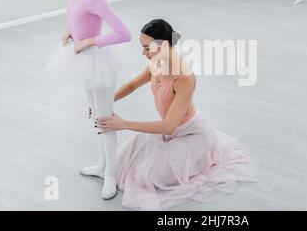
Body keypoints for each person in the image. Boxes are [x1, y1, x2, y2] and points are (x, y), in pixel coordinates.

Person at [96, 19, 257, 210]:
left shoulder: (184, 77)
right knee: (122, 158)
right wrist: (105, 103)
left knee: (145, 177)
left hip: (191, 135)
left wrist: (123, 123)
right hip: (168, 130)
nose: (143, 53)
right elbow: (131, 85)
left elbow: (169, 126)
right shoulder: (156, 63)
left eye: (147, 48)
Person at [45, 0, 132, 200]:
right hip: (83, 61)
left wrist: (91, 40)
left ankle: (111, 177)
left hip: (98, 62)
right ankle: (101, 165)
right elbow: (76, 17)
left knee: (106, 120)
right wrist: (70, 31)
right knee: (96, 115)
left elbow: (124, 33)